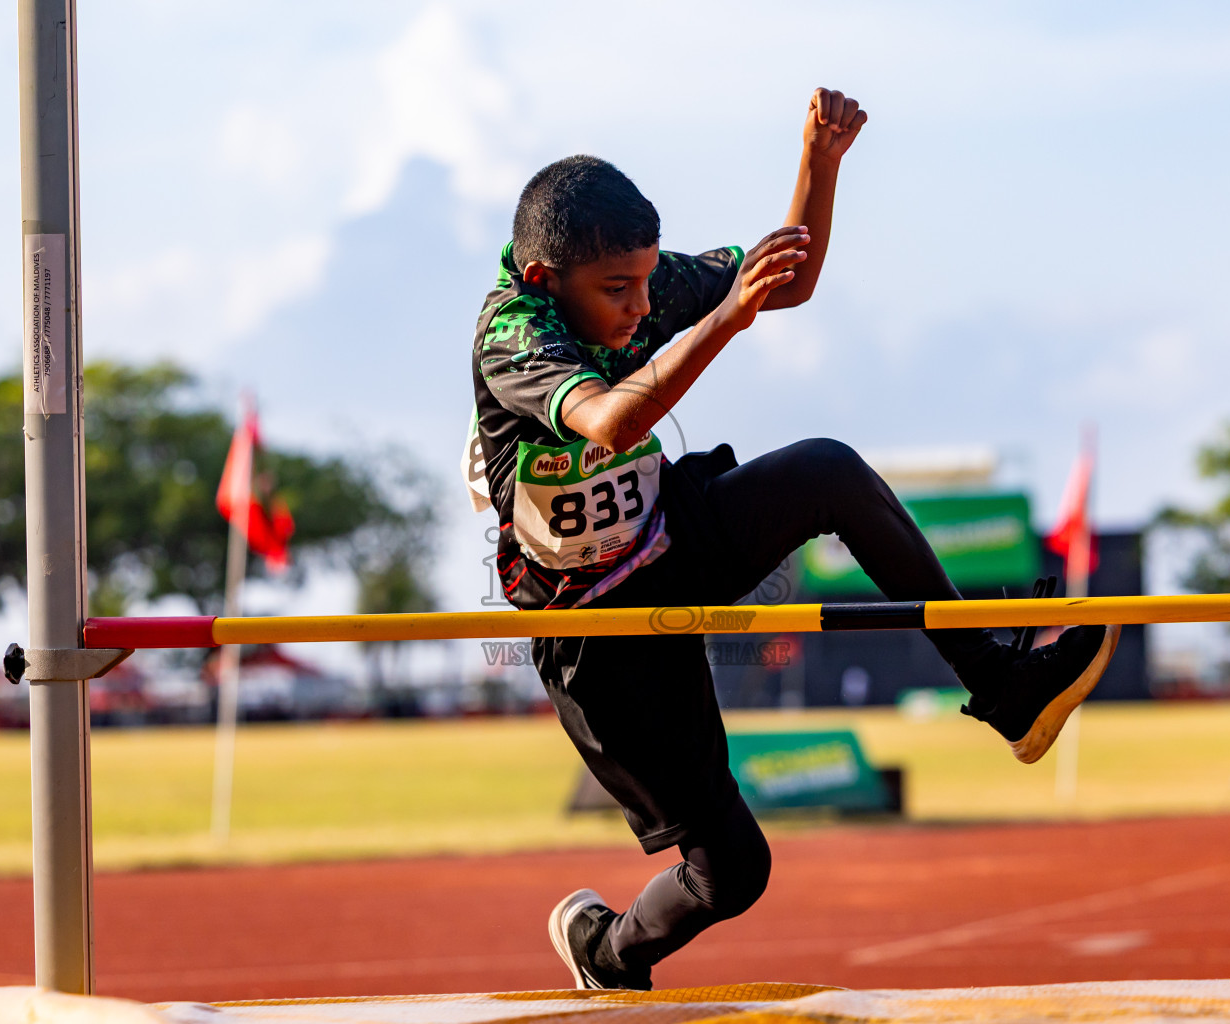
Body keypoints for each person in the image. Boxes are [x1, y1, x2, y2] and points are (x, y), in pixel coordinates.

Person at [461, 88, 1119, 990]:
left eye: (650, 282)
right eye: (618, 291)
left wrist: (820, 162)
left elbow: (790, 278)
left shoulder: (634, 286)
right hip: (594, 626)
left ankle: (1003, 688)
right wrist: (721, 322)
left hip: (668, 541)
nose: (640, 305)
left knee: (826, 469)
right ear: (546, 278)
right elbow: (611, 422)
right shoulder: (513, 334)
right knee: (733, 872)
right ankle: (610, 952)